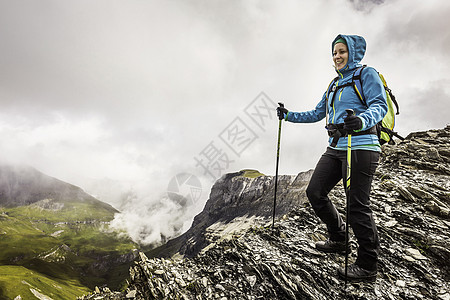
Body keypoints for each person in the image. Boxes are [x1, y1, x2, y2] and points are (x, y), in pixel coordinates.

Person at [277, 34, 387, 281]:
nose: (337, 56)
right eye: (334, 53)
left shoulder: (366, 75)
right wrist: (288, 115)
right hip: (337, 147)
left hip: (361, 147)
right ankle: (339, 239)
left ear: (353, 53)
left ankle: (368, 264)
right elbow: (317, 113)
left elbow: (380, 106)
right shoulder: (334, 84)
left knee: (357, 205)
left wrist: (360, 120)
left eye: (342, 51)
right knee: (315, 192)